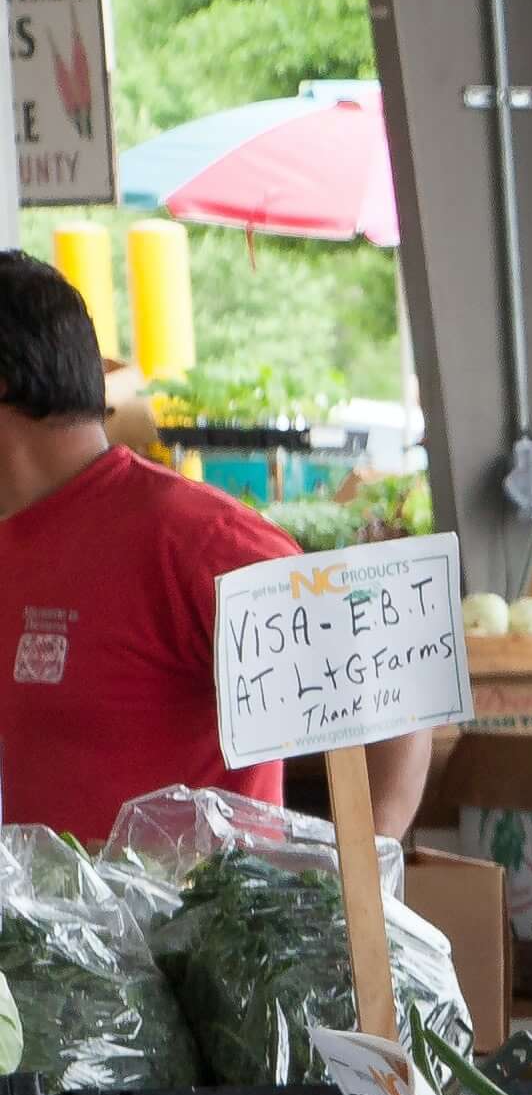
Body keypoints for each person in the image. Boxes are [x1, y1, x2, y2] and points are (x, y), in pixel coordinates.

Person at [0, 258, 432, 847]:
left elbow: (394, 696)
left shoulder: (195, 540)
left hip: (194, 934)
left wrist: (350, 889)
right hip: (39, 935)